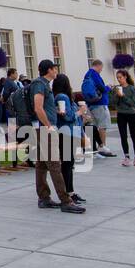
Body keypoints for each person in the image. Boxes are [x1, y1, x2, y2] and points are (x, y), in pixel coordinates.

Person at [30, 59, 83, 213]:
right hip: (46, 129)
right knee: (54, 165)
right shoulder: (40, 84)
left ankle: (44, 198)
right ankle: (66, 201)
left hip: (44, 128)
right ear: (49, 70)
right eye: (54, 68)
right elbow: (38, 108)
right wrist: (48, 126)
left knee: (41, 165)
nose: (56, 71)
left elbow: (44, 106)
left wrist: (55, 111)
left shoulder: (45, 85)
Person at [53, 73, 87, 203]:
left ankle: (70, 191)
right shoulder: (62, 97)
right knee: (67, 164)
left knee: (69, 163)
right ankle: (68, 192)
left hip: (69, 132)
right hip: (67, 133)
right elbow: (67, 116)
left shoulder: (62, 97)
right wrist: (80, 112)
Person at [81, 59, 117, 157]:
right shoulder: (95, 74)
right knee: (102, 126)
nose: (101, 70)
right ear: (99, 66)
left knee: (92, 125)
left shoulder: (87, 74)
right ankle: (103, 146)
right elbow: (101, 88)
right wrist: (109, 87)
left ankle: (92, 147)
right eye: (101, 68)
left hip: (91, 103)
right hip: (100, 103)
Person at [114, 70, 135, 166]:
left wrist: (123, 96)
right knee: (123, 136)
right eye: (117, 78)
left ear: (125, 77)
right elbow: (114, 103)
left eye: (120, 77)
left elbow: (133, 103)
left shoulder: (132, 88)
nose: (119, 79)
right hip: (121, 114)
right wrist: (117, 95)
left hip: (131, 114)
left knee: (134, 136)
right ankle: (126, 156)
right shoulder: (117, 88)